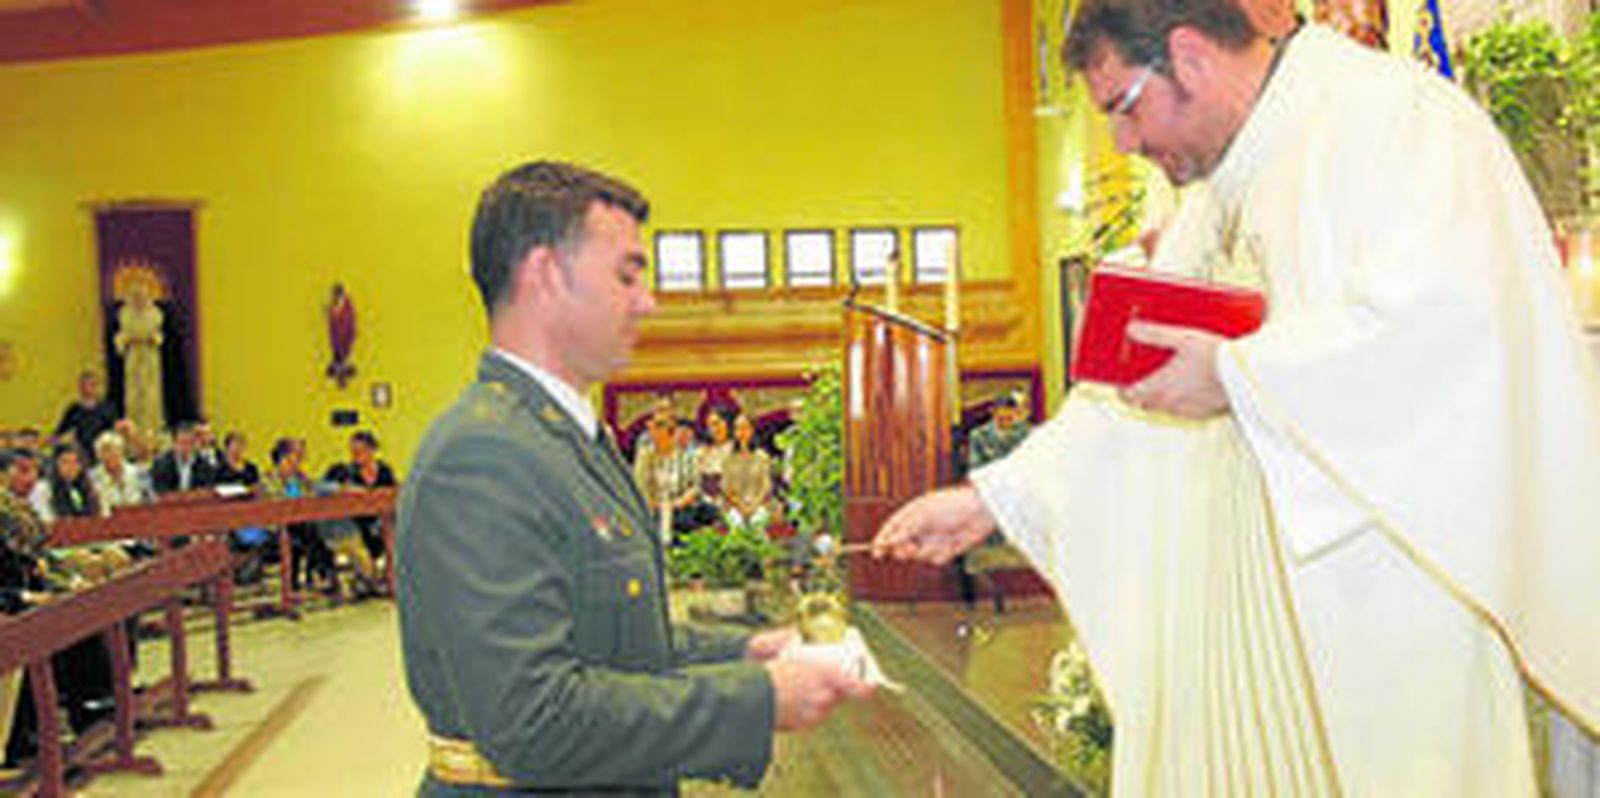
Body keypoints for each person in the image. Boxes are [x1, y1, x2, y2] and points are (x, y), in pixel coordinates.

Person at [873, 2, 1600, 795]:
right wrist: (991, 499)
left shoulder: (1393, 122)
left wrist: (1237, 374)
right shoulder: (1212, 200)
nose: (1123, 143)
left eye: (1124, 107)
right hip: (1237, 626)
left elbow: (1452, 328)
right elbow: (1127, 401)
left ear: (1189, 57)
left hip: (1373, 619)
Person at [397, 160, 870, 795]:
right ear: (545, 275)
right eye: (626, 275)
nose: (648, 301)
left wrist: (745, 654)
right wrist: (757, 700)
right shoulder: (484, 455)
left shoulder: (566, 438)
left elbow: (612, 637)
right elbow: (534, 719)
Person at [322, 429, 398, 563]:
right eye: (352, 451)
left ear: (371, 450)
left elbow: (393, 493)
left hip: (382, 522)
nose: (355, 455)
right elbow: (323, 487)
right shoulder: (347, 472)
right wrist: (344, 489)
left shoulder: (385, 471)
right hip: (358, 525)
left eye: (359, 451)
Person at [113, 276, 165, 436]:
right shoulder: (124, 314)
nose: (139, 297)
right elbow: (121, 337)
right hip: (133, 358)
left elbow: (158, 337)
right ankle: (133, 432)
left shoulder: (155, 314)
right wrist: (126, 341)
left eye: (142, 294)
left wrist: (152, 339)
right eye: (135, 294)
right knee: (133, 397)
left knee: (151, 396)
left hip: (149, 358)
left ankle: (153, 430)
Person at [52, 371, 117, 461]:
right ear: (79, 388)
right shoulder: (73, 410)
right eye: (83, 385)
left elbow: (113, 435)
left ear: (96, 387)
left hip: (102, 456)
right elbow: (59, 434)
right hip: (79, 456)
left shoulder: (107, 409)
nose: (87, 389)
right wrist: (56, 441)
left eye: (91, 385)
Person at [149, 420, 218, 495]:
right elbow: (160, 491)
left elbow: (207, 489)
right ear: (174, 444)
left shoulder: (204, 465)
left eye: (189, 443)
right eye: (182, 443)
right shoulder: (161, 464)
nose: (185, 448)